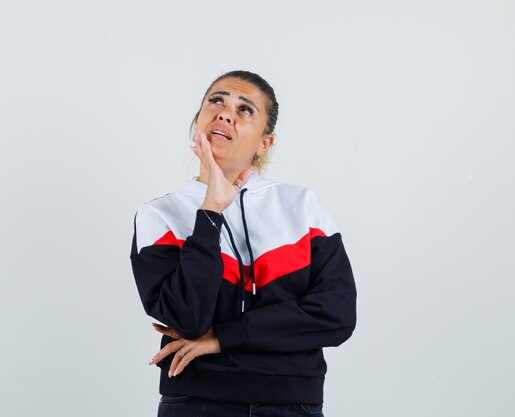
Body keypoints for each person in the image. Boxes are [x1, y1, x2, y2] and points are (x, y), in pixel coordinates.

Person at [129, 70, 357, 417]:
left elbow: (336, 316)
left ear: (264, 143)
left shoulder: (302, 207)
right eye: (216, 101)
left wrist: (222, 337)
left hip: (292, 403)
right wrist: (210, 211)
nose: (224, 113)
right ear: (198, 121)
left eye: (245, 109)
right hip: (195, 404)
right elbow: (188, 318)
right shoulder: (158, 215)